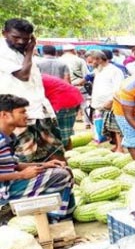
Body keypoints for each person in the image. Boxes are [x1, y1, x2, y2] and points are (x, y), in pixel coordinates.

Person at [0, 95, 74, 219]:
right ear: (4, 115)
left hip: (9, 185)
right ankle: (55, 219)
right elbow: (18, 171)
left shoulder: (8, 137)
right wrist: (21, 175)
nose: (27, 116)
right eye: (22, 112)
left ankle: (60, 217)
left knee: (62, 171)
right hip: (4, 192)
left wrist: (44, 165)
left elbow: (14, 165)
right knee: (62, 175)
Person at [0, 19, 63, 162]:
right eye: (16, 37)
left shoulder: (22, 52)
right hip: (18, 114)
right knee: (25, 158)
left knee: (56, 153)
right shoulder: (3, 52)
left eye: (26, 38)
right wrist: (30, 50)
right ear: (4, 33)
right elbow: (23, 75)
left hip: (40, 111)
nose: (21, 41)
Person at [88, 50, 125, 152]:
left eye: (92, 61)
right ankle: (116, 146)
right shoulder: (98, 70)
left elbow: (118, 87)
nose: (91, 64)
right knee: (109, 126)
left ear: (98, 59)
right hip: (100, 104)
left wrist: (111, 101)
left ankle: (120, 148)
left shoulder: (114, 70)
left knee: (116, 126)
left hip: (111, 103)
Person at [42, 73, 83, 150]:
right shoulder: (37, 77)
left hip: (65, 100)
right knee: (66, 132)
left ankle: (64, 156)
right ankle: (68, 153)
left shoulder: (33, 80)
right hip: (71, 97)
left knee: (62, 133)